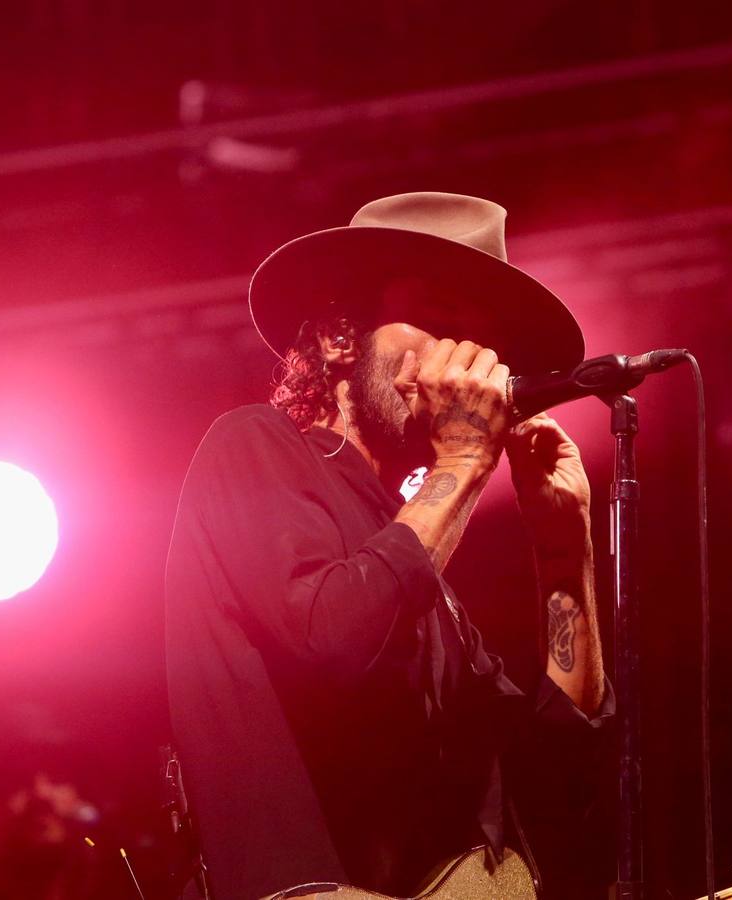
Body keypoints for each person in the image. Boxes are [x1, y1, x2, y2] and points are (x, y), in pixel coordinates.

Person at [165, 192, 613, 900]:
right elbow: (330, 636)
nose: (461, 362)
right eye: (436, 321)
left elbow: (557, 780)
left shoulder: (419, 557)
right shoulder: (254, 447)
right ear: (342, 337)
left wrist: (565, 551)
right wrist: (464, 460)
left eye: (480, 343)